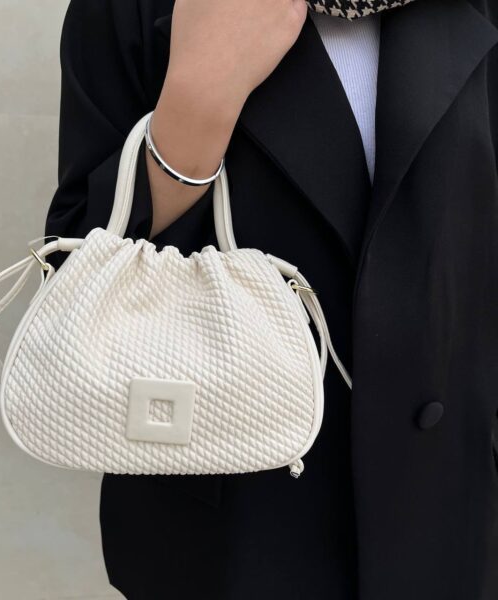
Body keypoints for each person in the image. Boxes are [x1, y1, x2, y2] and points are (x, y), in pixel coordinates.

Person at [44, 0, 498, 598]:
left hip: (452, 516)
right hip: (230, 526)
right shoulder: (129, 10)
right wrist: (201, 97)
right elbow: (77, 282)